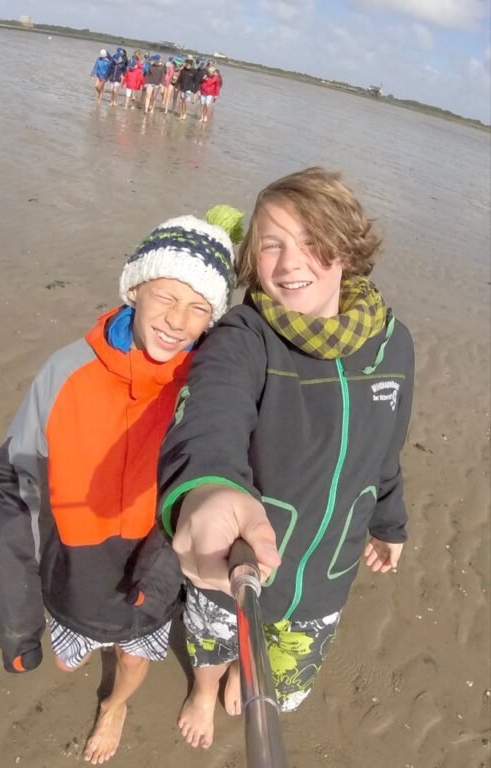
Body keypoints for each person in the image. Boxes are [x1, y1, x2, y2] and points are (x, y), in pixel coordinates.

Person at [157, 167, 415, 749]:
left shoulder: (395, 344)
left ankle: (244, 680)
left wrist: (388, 522)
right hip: (239, 561)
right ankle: (204, 688)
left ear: (347, 247)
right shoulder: (243, 335)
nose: (290, 262)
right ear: (253, 256)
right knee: (210, 640)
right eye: (272, 243)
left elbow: (386, 449)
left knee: (281, 679)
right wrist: (208, 487)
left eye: (312, 240)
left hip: (327, 573)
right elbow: (209, 418)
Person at [0, 207, 243, 764]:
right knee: (65, 653)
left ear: (211, 322)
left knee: (131, 659)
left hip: (153, 574)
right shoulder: (66, 371)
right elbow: (15, 488)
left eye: (199, 308)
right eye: (167, 297)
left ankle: (114, 706)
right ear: (136, 289)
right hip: (73, 567)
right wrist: (18, 622)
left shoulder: (209, 391)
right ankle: (78, 639)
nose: (178, 320)